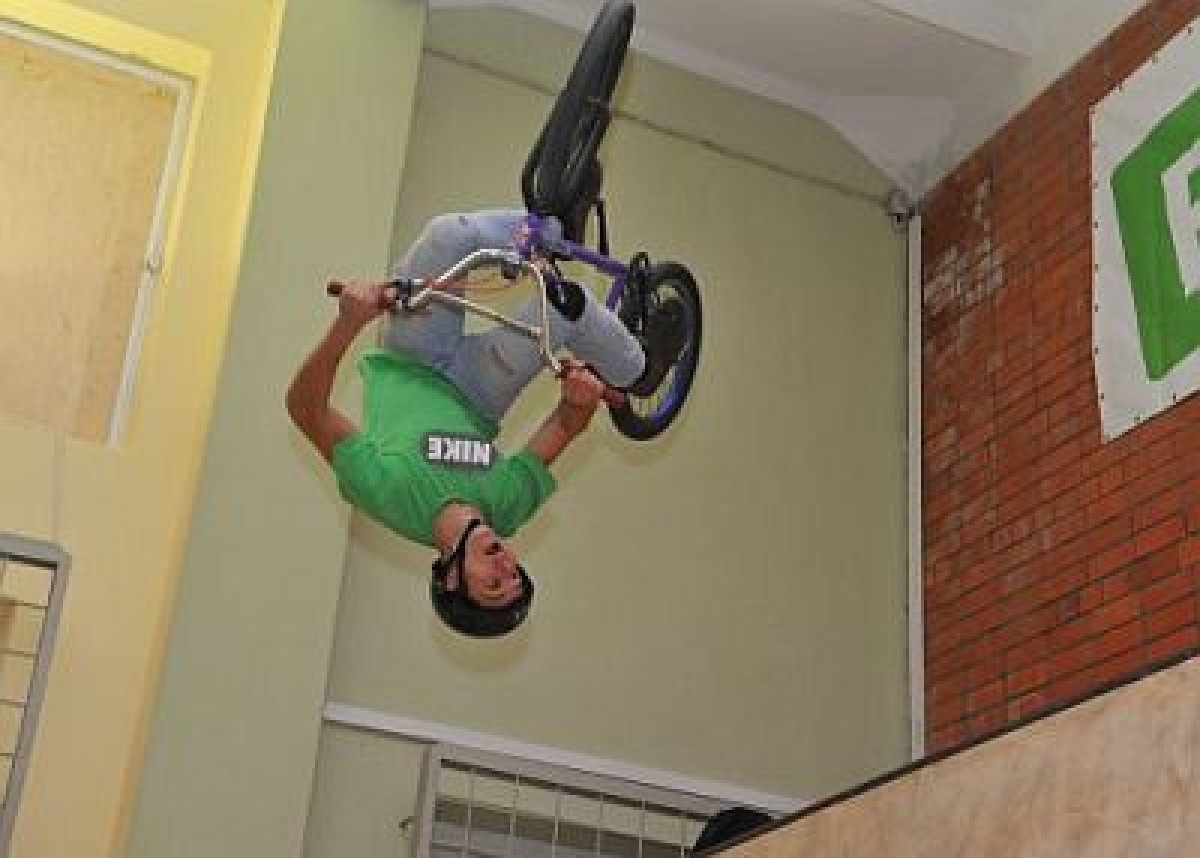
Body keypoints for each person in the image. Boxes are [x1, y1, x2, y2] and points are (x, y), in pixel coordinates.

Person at [286, 209, 686, 638]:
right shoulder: (507, 507)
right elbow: (565, 427)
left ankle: (548, 225)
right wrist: (580, 401)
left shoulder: (391, 497)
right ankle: (639, 370)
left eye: (494, 585)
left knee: (447, 235)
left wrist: (347, 323)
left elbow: (306, 409)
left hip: (410, 357)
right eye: (516, 575)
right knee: (563, 304)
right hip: (479, 391)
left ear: (451, 580)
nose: (506, 566)